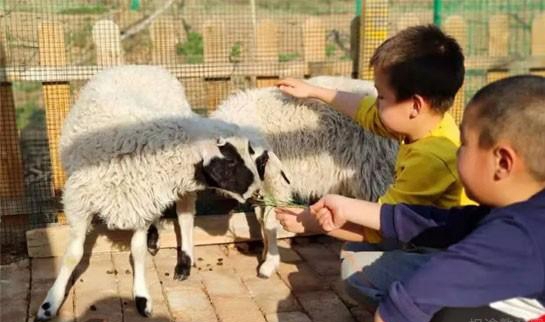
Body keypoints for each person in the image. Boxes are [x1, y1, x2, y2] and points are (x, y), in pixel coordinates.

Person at [278, 75, 545, 322]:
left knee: (444, 311)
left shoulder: (513, 237)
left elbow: (403, 306)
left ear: (502, 162)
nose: (457, 150)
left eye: (465, 144)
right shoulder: (521, 210)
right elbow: (439, 224)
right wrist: (348, 206)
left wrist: (399, 308)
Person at [276, 24, 474, 243]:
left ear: (415, 105)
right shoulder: (429, 121)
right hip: (426, 231)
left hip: (444, 247)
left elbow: (386, 226)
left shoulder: (430, 159)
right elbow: (365, 110)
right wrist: (314, 92)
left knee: (355, 259)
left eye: (381, 96)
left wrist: (311, 223)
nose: (375, 102)